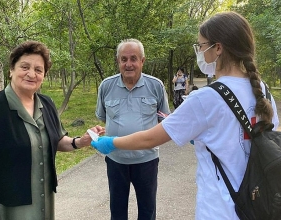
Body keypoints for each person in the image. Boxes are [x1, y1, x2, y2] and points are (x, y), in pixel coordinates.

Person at [91, 12, 279, 219]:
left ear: (218, 48)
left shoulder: (207, 97)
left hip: (220, 209)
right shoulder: (263, 91)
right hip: (259, 203)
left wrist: (112, 142)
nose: (199, 51)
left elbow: (151, 138)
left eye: (201, 45)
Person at [0, 40, 104, 220]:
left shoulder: (46, 104)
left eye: (38, 70)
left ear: (44, 75)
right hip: (8, 207)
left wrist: (81, 141)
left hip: (43, 202)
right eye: (25, 67)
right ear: (11, 70)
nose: (31, 74)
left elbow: (56, 139)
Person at [95, 38, 170, 220]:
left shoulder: (156, 86)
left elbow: (164, 120)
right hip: (116, 160)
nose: (128, 64)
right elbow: (103, 117)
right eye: (124, 59)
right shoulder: (106, 86)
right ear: (118, 61)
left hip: (147, 160)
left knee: (147, 211)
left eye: (133, 59)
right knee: (117, 211)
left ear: (142, 61)